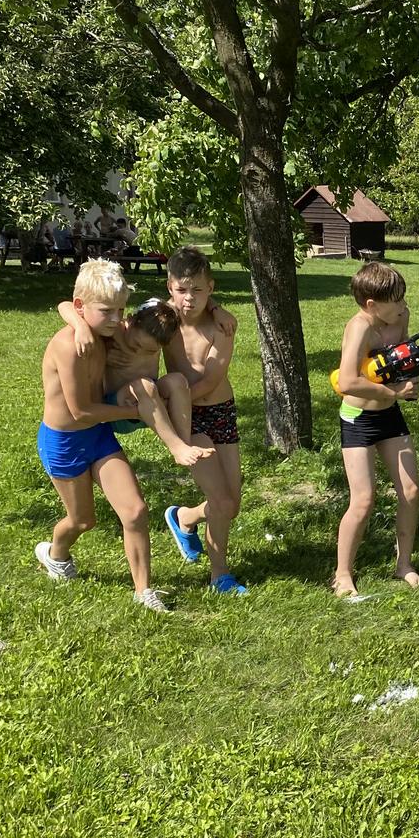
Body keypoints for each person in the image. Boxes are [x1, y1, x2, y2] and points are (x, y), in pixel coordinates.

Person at [35, 260, 168, 612]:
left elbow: (160, 315)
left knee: (136, 511)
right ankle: (55, 554)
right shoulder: (69, 346)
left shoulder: (105, 331)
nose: (116, 319)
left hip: (98, 435)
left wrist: (214, 310)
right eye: (107, 311)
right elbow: (80, 411)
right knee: (83, 520)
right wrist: (135, 413)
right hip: (64, 442)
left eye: (120, 310)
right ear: (83, 307)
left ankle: (143, 592)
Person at [160, 246, 249, 596]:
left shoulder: (222, 325)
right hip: (188, 417)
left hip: (220, 410)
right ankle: (219, 576)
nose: (189, 298)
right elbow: (127, 334)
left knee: (232, 505)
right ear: (170, 287)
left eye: (198, 290)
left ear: (210, 288)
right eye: (182, 290)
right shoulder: (162, 321)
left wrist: (217, 308)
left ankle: (184, 518)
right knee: (222, 502)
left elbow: (211, 380)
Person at [333, 260, 419, 598]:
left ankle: (404, 564)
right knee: (364, 500)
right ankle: (342, 574)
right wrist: (395, 393)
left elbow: (405, 358)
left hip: (389, 415)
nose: (403, 305)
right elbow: (347, 382)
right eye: (396, 300)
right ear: (372, 305)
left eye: (403, 298)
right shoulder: (359, 328)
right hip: (358, 418)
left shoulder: (399, 316)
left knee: (410, 491)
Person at [56, 297, 216, 470]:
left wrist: (218, 310)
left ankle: (184, 444)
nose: (139, 351)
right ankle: (176, 447)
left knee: (177, 380)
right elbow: (64, 305)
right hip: (120, 409)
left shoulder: (162, 331)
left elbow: (179, 301)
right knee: (144, 385)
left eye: (150, 351)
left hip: (151, 407)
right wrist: (81, 327)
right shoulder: (115, 330)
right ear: (131, 320)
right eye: (136, 344)